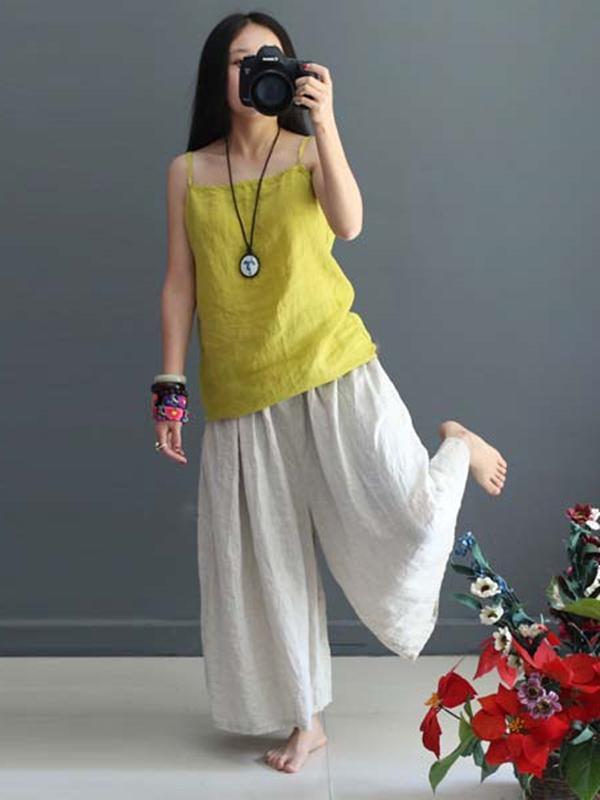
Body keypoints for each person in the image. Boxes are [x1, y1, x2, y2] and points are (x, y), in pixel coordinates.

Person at [151, 11, 508, 775]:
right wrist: (170, 386)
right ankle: (304, 721)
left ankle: (458, 445)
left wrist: (328, 121)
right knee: (267, 570)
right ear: (217, 74)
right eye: (240, 59)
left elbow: (349, 224)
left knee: (409, 518)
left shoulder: (309, 148)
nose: (254, 70)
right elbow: (180, 284)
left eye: (269, 58)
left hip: (332, 368)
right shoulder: (187, 172)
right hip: (242, 395)